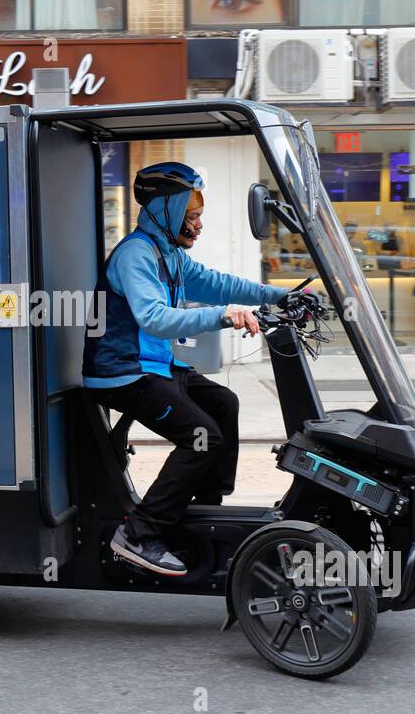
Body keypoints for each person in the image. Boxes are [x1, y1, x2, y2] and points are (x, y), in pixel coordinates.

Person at [83, 162, 291, 577]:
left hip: (158, 366)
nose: (197, 224)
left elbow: (218, 284)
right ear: (165, 210)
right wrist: (224, 316)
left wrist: (281, 296)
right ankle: (139, 534)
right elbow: (156, 319)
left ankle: (204, 507)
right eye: (190, 215)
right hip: (124, 372)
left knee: (224, 403)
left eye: (199, 216)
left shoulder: (170, 253)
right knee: (202, 438)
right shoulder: (136, 254)